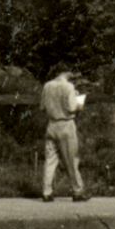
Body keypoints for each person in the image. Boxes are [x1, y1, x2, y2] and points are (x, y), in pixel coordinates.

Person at [41, 64, 89, 203]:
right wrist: (80, 101)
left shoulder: (47, 86)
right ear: (66, 73)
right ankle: (77, 191)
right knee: (71, 159)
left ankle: (47, 192)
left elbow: (43, 106)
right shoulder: (68, 87)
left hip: (51, 124)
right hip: (66, 124)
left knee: (50, 159)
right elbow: (72, 107)